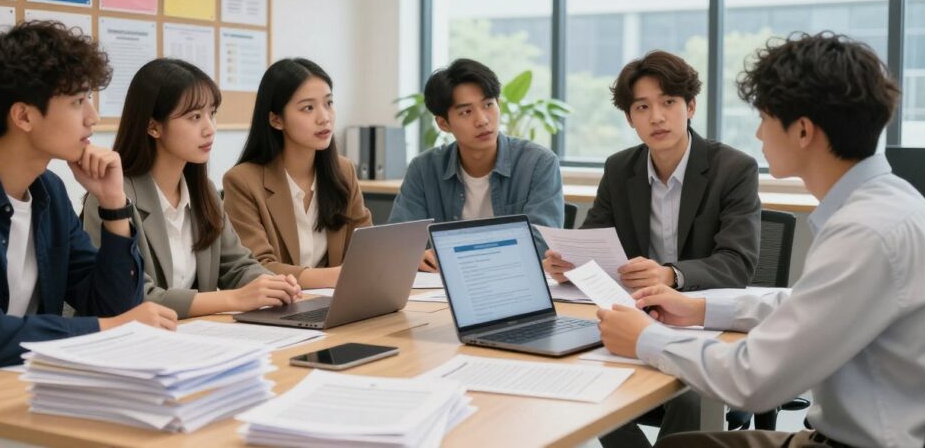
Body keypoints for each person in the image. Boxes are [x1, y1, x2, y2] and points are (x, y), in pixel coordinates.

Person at [596, 32, 925, 448]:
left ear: (804, 131)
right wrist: (698, 306)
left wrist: (646, 338)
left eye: (764, 118)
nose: (758, 135)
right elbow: (803, 305)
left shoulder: (864, 232)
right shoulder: (890, 204)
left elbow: (754, 380)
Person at [0, 21, 176, 374]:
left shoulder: (47, 189)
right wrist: (108, 329)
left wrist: (113, 202)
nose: (92, 118)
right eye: (77, 101)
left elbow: (112, 306)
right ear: (23, 116)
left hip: (23, 383)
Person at [544, 50, 761, 446]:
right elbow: (594, 241)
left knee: (689, 395)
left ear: (690, 106)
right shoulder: (619, 168)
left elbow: (738, 263)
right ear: (629, 118)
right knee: (585, 378)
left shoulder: (733, 169)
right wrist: (569, 263)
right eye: (642, 107)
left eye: (668, 103)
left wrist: (670, 274)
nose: (656, 117)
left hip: (699, 319)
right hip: (636, 313)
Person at [82, 59, 301, 319]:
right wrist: (233, 298)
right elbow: (134, 295)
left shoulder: (204, 191)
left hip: (189, 337)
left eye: (212, 113)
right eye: (194, 117)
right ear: (153, 126)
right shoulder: (111, 198)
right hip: (127, 343)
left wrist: (272, 285)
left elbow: (236, 265)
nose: (210, 129)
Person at [389, 58, 564, 271]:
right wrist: (416, 256)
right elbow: (399, 243)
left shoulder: (538, 163)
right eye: (466, 112)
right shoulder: (424, 169)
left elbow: (540, 246)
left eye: (488, 105)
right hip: (438, 292)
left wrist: (456, 257)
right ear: (443, 123)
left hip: (513, 286)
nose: (482, 120)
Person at [223, 58, 371, 289]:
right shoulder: (242, 181)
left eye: (329, 103)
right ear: (276, 119)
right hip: (279, 307)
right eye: (308, 108)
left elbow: (366, 247)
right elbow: (256, 266)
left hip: (338, 303)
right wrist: (337, 276)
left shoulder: (343, 171)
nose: (324, 117)